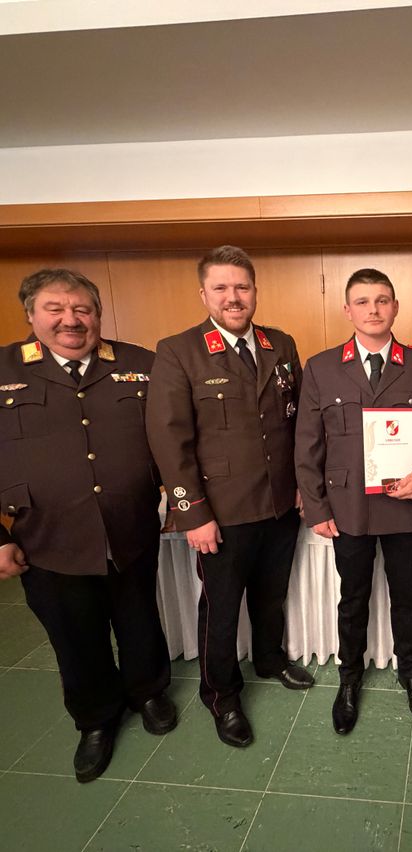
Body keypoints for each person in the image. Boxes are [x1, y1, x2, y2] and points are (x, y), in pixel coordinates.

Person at [0, 268, 175, 783]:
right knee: (75, 636)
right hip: (48, 539)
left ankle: (148, 691)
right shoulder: (3, 370)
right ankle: (95, 719)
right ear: (31, 315)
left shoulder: (140, 364)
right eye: (55, 309)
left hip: (131, 529)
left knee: (140, 617)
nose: (70, 320)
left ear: (97, 314)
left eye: (82, 309)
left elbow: (170, 438)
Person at [145, 245, 313, 749]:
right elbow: (168, 441)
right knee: (221, 607)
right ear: (204, 294)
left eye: (241, 287)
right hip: (221, 512)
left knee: (271, 595)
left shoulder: (280, 343)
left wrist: (305, 484)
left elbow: (300, 420)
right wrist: (192, 514)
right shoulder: (179, 350)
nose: (233, 297)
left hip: (281, 503)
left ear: (255, 291)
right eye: (221, 288)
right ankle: (221, 694)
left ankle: (269, 658)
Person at [295, 268, 412, 734]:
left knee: (407, 597)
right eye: (363, 301)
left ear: (395, 307)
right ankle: (350, 679)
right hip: (347, 510)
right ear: (347, 310)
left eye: (382, 300)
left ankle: (411, 674)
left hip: (404, 505)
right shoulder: (322, 367)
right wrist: (317, 508)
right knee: (353, 599)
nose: (373, 309)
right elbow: (306, 445)